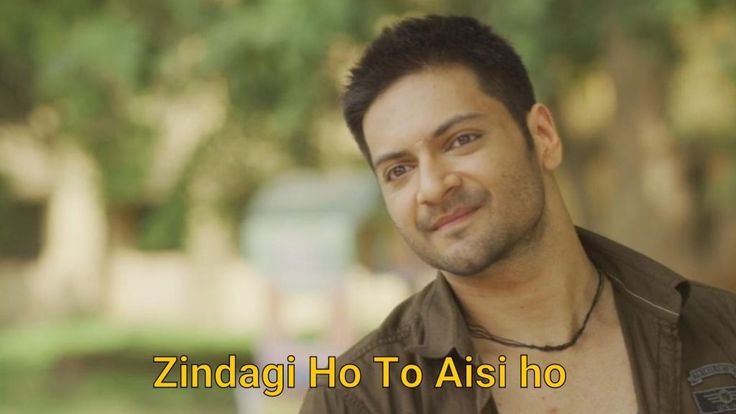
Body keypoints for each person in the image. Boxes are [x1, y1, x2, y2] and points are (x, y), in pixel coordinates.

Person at [300, 15, 736, 414]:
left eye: (460, 140)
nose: (432, 188)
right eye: (399, 170)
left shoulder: (721, 331)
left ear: (543, 136)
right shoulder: (361, 399)